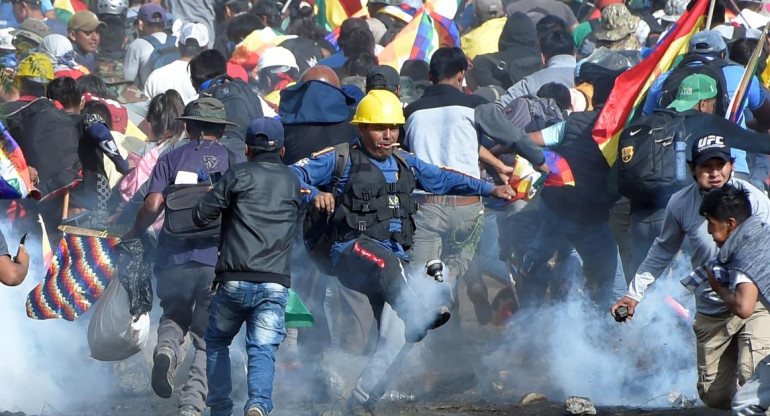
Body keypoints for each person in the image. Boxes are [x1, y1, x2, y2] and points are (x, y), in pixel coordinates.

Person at [291, 90, 518, 413]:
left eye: (394, 128)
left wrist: (489, 188)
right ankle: (418, 312)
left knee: (400, 338)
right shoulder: (338, 157)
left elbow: (442, 178)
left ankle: (362, 401)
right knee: (393, 273)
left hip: (393, 262)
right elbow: (291, 175)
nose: (388, 135)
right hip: (352, 252)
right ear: (361, 129)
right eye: (379, 127)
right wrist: (313, 193)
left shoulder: (404, 162)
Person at [611, 136, 770, 410]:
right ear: (692, 169)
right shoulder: (680, 203)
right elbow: (662, 250)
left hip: (754, 304)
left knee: (752, 375)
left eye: (721, 165)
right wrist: (633, 294)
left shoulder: (754, 200)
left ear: (732, 166)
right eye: (706, 166)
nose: (715, 173)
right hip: (711, 310)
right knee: (715, 395)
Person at [123, 97, 242, 416]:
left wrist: (133, 232)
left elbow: (151, 205)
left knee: (174, 316)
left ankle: (165, 352)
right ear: (220, 129)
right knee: (208, 336)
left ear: (187, 126)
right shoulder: (230, 161)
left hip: (172, 257)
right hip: (213, 261)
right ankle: (191, 404)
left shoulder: (170, 158)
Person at [194, 117, 300, 416]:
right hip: (275, 283)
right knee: (262, 349)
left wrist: (212, 197)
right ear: (281, 151)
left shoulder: (236, 175)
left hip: (235, 280)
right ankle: (258, 405)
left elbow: (201, 216)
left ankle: (219, 407)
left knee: (215, 341)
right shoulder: (292, 180)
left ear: (246, 149)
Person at [496, 29, 576, 108]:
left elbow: (499, 107)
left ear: (543, 58)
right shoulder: (586, 76)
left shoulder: (531, 82)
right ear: (574, 55)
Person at [143, 22, 208, 103]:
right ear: (207, 48)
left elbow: (145, 111)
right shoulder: (211, 79)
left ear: (179, 45)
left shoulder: (156, 76)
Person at [124, 3, 172, 89]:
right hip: (178, 99)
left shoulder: (137, 45)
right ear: (164, 24)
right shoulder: (177, 42)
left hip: (151, 100)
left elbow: (127, 80)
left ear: (140, 24)